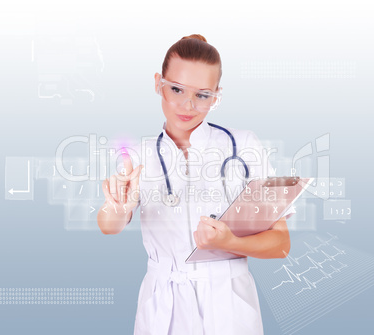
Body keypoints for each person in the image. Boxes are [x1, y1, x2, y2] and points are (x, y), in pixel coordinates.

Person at [97, 34, 293, 335]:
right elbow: (109, 226)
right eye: (176, 89)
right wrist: (117, 207)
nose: (187, 105)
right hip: (163, 306)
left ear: (216, 95)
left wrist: (230, 243)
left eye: (202, 95)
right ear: (157, 83)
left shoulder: (244, 146)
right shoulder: (139, 155)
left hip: (229, 306)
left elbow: (281, 244)